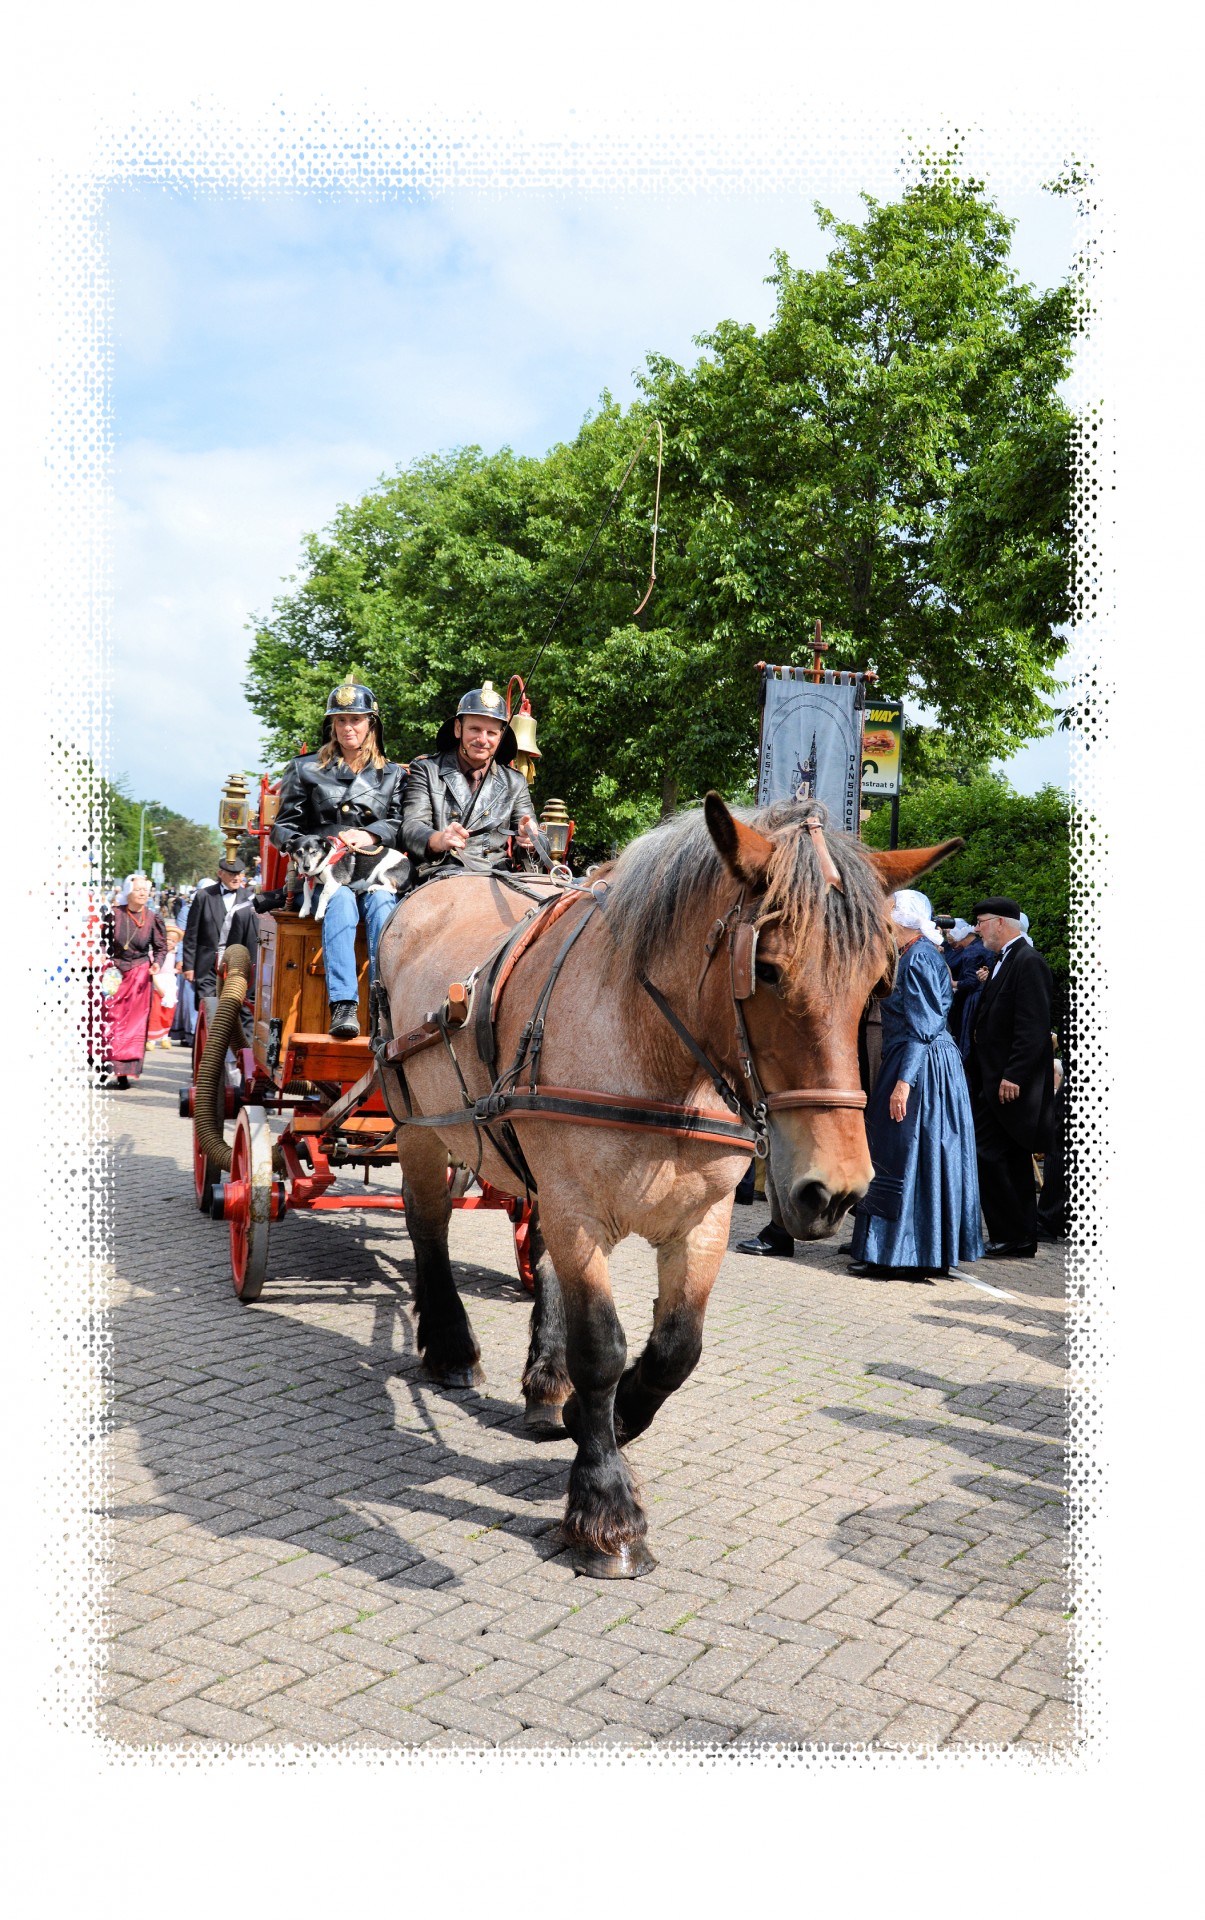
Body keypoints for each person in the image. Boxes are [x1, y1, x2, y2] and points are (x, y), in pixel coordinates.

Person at [845, 889, 982, 1279]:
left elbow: (924, 1027)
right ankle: (895, 1247)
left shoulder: (919, 957)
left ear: (901, 921)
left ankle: (907, 1252)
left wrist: (904, 1083)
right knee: (902, 1150)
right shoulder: (912, 954)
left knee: (910, 1151)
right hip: (913, 1059)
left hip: (922, 1067)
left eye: (886, 915)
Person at [271, 674, 408, 1039]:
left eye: (356, 719)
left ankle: (385, 1003)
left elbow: (400, 823)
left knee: (383, 906)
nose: (349, 727)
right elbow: (282, 828)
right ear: (332, 724)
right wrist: (309, 848)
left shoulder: (393, 775)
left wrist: (370, 833)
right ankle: (343, 1006)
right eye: (342, 720)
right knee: (343, 899)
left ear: (371, 725)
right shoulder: (304, 769)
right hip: (323, 877)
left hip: (370, 868)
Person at [968, 895, 1056, 1258]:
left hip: (1008, 1084)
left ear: (1002, 922)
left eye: (981, 921)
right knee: (1000, 1157)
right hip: (993, 1080)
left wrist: (1014, 1076)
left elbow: (1033, 1026)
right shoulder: (1006, 959)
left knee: (998, 1156)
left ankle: (1015, 1236)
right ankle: (1013, 1235)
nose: (976, 928)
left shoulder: (1027, 961)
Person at [401, 681, 540, 886]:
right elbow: (411, 827)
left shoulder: (515, 781)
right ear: (458, 729)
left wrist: (531, 842)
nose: (482, 739)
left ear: (500, 736)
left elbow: (529, 841)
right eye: (475, 729)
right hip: (441, 874)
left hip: (498, 877)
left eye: (491, 733)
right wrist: (439, 840)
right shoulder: (426, 770)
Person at [181, 855, 261, 1047]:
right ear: (220, 873)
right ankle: (205, 1064)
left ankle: (238, 1064)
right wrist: (188, 966)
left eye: (239, 874)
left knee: (239, 1013)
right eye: (232, 874)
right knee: (210, 1012)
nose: (236, 878)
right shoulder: (204, 896)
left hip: (237, 969)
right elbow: (192, 933)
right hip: (207, 967)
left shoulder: (250, 899)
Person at [99, 874, 168, 1087]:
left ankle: (124, 1073)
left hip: (139, 974)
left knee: (133, 1025)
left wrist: (157, 962)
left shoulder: (153, 918)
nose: (142, 893)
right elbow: (103, 942)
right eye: (138, 889)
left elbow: (160, 946)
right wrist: (103, 955)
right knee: (109, 1018)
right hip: (114, 972)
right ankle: (106, 1066)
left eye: (145, 890)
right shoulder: (114, 915)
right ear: (128, 891)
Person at [944, 916, 992, 1061]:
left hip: (974, 1000)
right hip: (982, 997)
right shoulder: (980, 946)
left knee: (968, 1043)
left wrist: (953, 983)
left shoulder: (971, 952)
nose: (952, 945)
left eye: (953, 940)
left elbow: (972, 982)